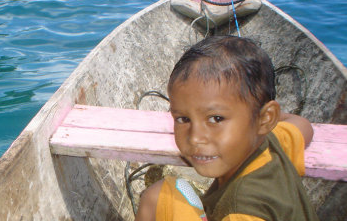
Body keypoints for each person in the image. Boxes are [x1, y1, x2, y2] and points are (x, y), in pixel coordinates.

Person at [135, 35, 319, 221]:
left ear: (266, 119)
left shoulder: (243, 212)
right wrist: (259, 116)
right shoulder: (271, 142)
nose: (195, 138)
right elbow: (302, 126)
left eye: (216, 118)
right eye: (183, 119)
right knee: (161, 194)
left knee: (155, 198)